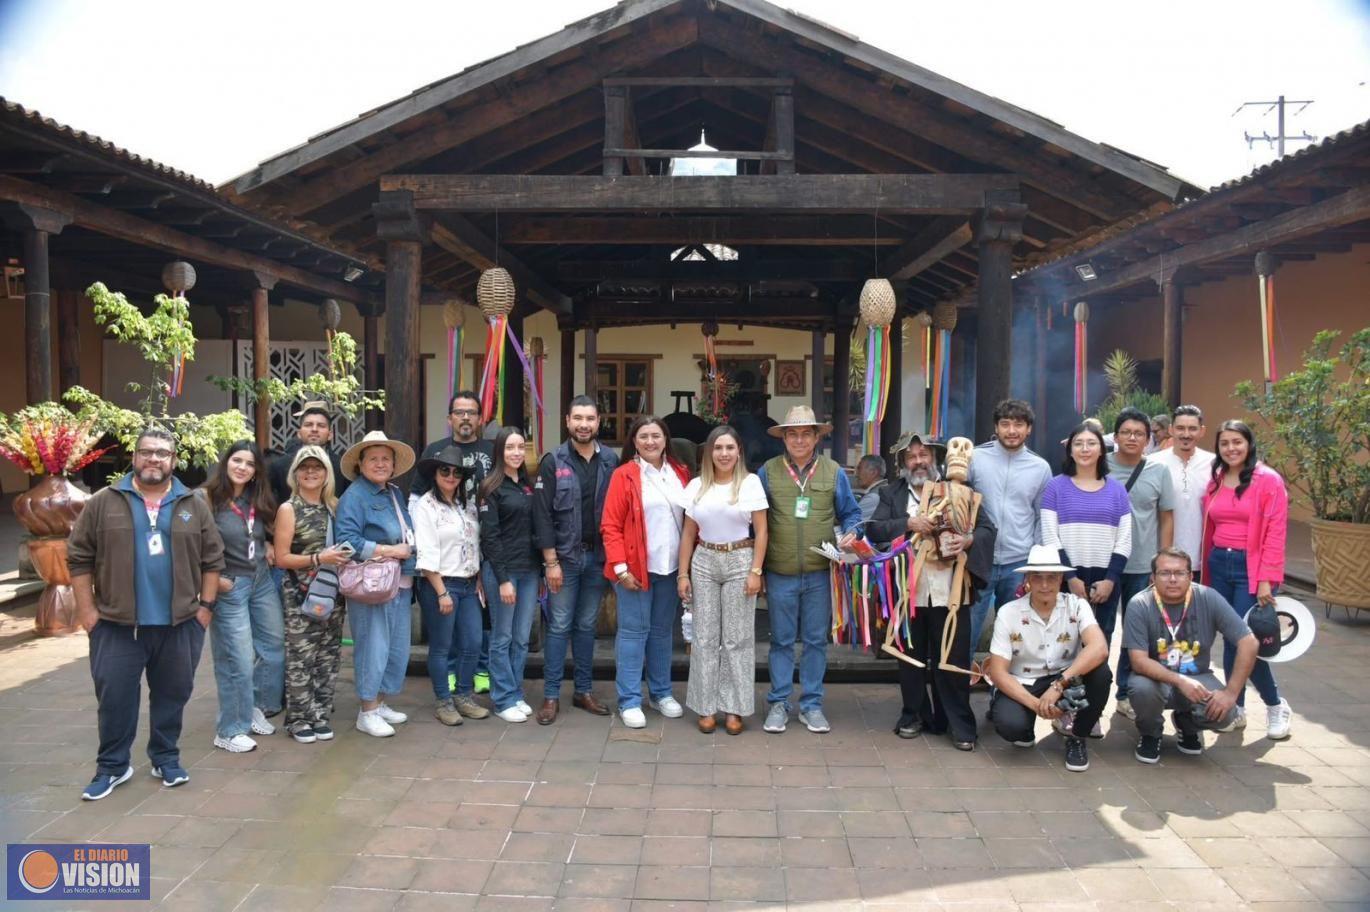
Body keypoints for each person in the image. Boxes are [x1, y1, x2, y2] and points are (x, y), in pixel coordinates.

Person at [67, 428, 224, 799]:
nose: (154, 459)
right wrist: (88, 614)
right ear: (134, 458)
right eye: (147, 452)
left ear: (173, 461)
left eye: (163, 453)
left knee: (173, 695)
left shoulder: (192, 503)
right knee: (116, 698)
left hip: (180, 624)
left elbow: (212, 559)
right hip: (116, 625)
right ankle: (112, 767)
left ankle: (165, 758)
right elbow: (78, 558)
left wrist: (205, 609)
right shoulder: (104, 501)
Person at [867, 432, 995, 751]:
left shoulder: (962, 491)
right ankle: (913, 715)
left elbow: (986, 529)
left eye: (924, 455)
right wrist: (909, 524)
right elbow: (874, 529)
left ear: (934, 459)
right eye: (911, 457)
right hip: (908, 590)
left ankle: (957, 722)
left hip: (950, 589)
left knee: (950, 658)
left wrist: (967, 541)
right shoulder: (891, 495)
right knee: (910, 658)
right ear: (902, 464)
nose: (919, 461)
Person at [756, 405, 863, 735]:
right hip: (779, 571)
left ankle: (812, 705)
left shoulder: (834, 472)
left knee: (816, 640)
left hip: (821, 572)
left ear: (817, 437)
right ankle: (779, 703)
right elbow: (754, 521)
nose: (799, 439)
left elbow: (852, 515)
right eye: (792, 434)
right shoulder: (767, 472)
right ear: (784, 438)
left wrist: (852, 533)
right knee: (781, 641)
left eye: (806, 433)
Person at [1201, 420, 1292, 739]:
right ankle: (1235, 706)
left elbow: (1276, 533)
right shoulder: (1216, 478)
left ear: (1248, 443)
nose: (1231, 448)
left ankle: (1274, 704)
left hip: (1251, 568)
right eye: (1224, 443)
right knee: (1230, 638)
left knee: (1245, 640)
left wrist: (1266, 579)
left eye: (1237, 442)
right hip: (1219, 563)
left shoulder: (1268, 480)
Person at [1123, 547, 1257, 763]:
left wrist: (1231, 693)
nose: (1173, 579)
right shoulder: (1140, 604)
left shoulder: (1208, 597)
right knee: (1141, 689)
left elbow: (1249, 642)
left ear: (1190, 575)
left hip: (1198, 677)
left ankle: (1187, 723)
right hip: (1155, 679)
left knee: (1228, 713)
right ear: (1153, 577)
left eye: (1180, 573)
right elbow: (1138, 661)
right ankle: (1150, 733)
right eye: (1165, 573)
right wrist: (1180, 680)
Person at [531, 395, 619, 724]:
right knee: (559, 626)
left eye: (590, 418)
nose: (584, 424)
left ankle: (583, 691)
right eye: (578, 418)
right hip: (564, 561)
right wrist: (550, 562)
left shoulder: (611, 460)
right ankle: (551, 695)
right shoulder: (553, 460)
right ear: (567, 421)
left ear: (599, 422)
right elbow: (541, 515)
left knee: (586, 627)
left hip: (597, 558)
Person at [986, 545, 1112, 772]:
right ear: (1028, 580)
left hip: (1066, 677)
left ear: (1061, 579)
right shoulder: (1009, 612)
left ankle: (1077, 735)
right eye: (1038, 578)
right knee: (1010, 727)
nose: (1045, 585)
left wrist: (1059, 685)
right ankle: (1026, 725)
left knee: (1102, 673)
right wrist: (1037, 705)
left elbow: (1099, 648)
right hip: (1024, 680)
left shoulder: (1076, 605)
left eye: (1051, 578)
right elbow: (997, 671)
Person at [678, 425, 769, 735]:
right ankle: (706, 706)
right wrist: (682, 573)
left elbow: (762, 530)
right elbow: (689, 533)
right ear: (709, 452)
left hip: (739, 558)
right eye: (718, 448)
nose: (724, 453)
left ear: (738, 451)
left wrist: (756, 571)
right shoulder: (695, 486)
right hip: (704, 559)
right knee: (703, 638)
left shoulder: (750, 484)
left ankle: (734, 708)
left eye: (730, 447)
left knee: (736, 637)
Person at [601, 415, 691, 729]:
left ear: (666, 439)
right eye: (643, 437)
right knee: (632, 634)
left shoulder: (680, 473)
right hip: (634, 569)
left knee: (662, 633)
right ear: (634, 442)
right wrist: (621, 569)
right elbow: (610, 526)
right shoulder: (624, 475)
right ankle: (628, 699)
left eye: (656, 435)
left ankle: (661, 692)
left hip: (670, 568)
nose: (650, 441)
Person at [1040, 423, 1132, 711]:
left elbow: (1125, 539)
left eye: (1091, 443)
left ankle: (1091, 712)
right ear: (1070, 449)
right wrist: (1070, 578)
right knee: (1064, 643)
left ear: (1101, 449)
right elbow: (1050, 536)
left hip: (1104, 581)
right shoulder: (1056, 487)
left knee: (1099, 644)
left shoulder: (1117, 490)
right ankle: (1063, 707)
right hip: (1067, 579)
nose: (1084, 449)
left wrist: (1111, 579)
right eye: (1078, 443)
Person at [201, 441, 285, 753]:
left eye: (249, 464)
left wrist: (270, 544)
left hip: (260, 578)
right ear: (226, 463)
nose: (242, 467)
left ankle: (253, 708)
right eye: (237, 460)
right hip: (229, 584)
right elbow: (191, 542)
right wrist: (210, 580)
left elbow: (263, 531)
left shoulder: (257, 498)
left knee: (273, 645)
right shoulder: (207, 498)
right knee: (236, 657)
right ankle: (229, 728)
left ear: (255, 472)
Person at [411, 391, 496, 696]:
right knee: (443, 638)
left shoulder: (489, 454)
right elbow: (415, 502)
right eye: (459, 412)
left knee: (477, 632)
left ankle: (475, 679)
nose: (465, 418)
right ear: (450, 418)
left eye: (471, 412)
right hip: (441, 570)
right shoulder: (434, 455)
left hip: (476, 560)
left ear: (480, 418)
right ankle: (446, 690)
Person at [336, 430, 418, 737]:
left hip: (399, 581)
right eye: (374, 459)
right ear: (360, 463)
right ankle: (367, 710)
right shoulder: (354, 497)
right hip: (371, 583)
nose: (381, 464)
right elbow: (346, 542)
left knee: (395, 648)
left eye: (386, 459)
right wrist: (387, 550)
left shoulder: (394, 492)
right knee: (372, 645)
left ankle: (380, 702)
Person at [274, 445, 352, 743]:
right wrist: (320, 559)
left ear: (326, 474)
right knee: (300, 658)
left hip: (331, 592)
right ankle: (298, 718)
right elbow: (281, 558)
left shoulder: (335, 506)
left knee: (328, 657)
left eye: (317, 468)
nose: (311, 472)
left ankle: (320, 713)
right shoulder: (288, 509)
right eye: (304, 468)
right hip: (300, 594)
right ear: (295, 473)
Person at [966, 399, 1052, 662]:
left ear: (1029, 430)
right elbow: (959, 504)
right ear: (996, 427)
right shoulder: (975, 458)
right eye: (1005, 424)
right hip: (978, 560)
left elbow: (1041, 518)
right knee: (966, 629)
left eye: (1018, 424)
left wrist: (1034, 564)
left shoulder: (1040, 468)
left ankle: (1006, 695)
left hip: (1018, 563)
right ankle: (958, 693)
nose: (1011, 430)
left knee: (1015, 635)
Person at [413, 446, 490, 726]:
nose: (451, 475)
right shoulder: (426, 506)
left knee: (473, 642)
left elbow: (474, 545)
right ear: (435, 473)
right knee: (442, 646)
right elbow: (426, 551)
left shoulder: (466, 506)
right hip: (440, 583)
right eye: (445, 470)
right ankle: (443, 701)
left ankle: (464, 696)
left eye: (456, 471)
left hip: (469, 584)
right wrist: (441, 591)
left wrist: (479, 576)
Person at [1108, 407, 1175, 721]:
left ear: (1148, 439)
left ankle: (1125, 692)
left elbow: (1166, 518)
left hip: (1141, 566)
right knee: (1100, 629)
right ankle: (1092, 695)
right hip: (1104, 565)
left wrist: (1162, 563)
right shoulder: (1099, 465)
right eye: (1126, 432)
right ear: (1116, 436)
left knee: (1135, 634)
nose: (1132, 438)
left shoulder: (1159, 471)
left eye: (1139, 433)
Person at [478, 427, 542, 723]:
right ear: (499, 451)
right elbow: (489, 538)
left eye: (521, 447)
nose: (516, 453)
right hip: (503, 572)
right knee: (501, 637)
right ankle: (502, 699)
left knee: (520, 638)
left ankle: (515, 691)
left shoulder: (528, 485)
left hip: (529, 571)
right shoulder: (490, 488)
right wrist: (502, 579)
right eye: (509, 447)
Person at [1152, 405, 1214, 581]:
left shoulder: (1215, 464)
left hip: (1203, 560)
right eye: (1180, 428)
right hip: (1161, 558)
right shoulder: (1152, 464)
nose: (1186, 434)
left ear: (1202, 431)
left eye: (1192, 429)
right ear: (1171, 429)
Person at [268, 401, 348, 505]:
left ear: (330, 435)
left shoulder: (343, 468)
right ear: (299, 433)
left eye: (321, 425)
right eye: (308, 425)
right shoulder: (279, 466)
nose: (314, 429)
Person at [852, 454, 888, 522]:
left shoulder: (874, 497)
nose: (856, 474)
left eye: (859, 469)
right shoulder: (883, 490)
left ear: (873, 472)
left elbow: (850, 522)